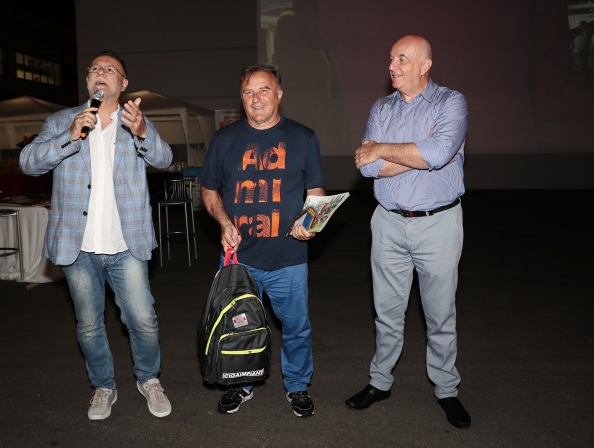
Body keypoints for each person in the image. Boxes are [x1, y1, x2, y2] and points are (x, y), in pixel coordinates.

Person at [19, 50, 173, 421]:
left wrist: (142, 132)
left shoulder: (135, 121)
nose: (100, 73)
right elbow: (28, 163)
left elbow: (165, 159)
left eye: (110, 69)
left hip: (126, 244)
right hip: (79, 246)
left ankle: (149, 379)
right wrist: (69, 136)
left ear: (123, 83)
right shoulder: (62, 120)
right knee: (89, 325)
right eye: (95, 69)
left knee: (143, 319)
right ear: (89, 80)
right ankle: (103, 386)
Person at [344, 35, 471, 429]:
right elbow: (367, 167)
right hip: (388, 223)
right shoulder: (381, 107)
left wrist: (383, 148)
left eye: (402, 59)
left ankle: (446, 389)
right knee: (386, 312)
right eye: (391, 58)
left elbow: (438, 153)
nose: (392, 66)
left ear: (424, 65)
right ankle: (380, 382)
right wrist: (420, 153)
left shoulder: (451, 102)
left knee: (440, 315)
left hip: (438, 223)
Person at [200, 64, 326, 418]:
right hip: (239, 258)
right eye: (248, 92)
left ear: (279, 94)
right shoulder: (225, 140)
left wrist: (311, 223)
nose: (256, 98)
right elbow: (208, 189)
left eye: (264, 90)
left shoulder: (303, 138)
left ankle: (297, 386)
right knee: (238, 325)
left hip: (289, 257)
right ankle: (241, 383)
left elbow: (316, 193)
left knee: (296, 328)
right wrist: (224, 221)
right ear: (241, 97)